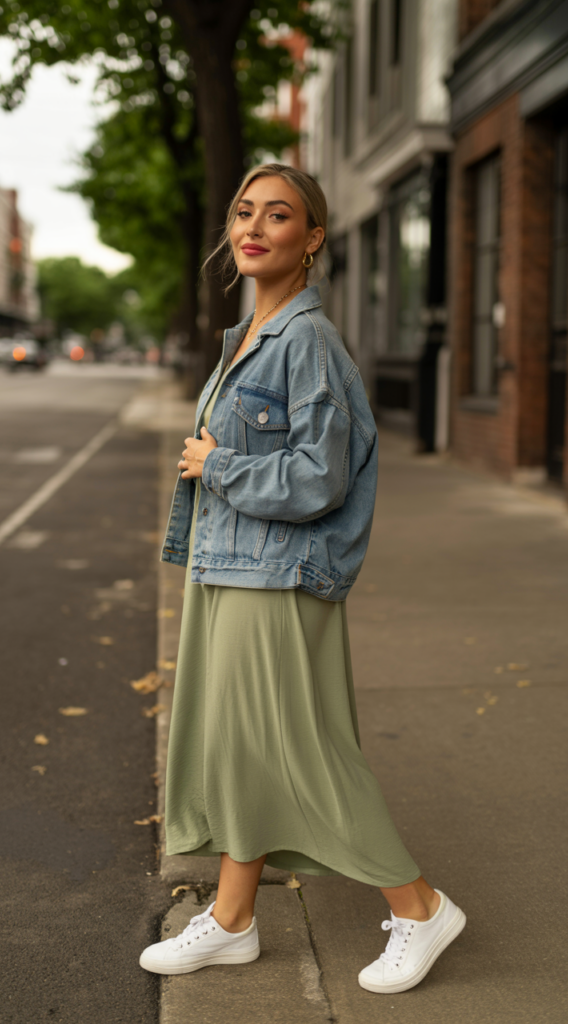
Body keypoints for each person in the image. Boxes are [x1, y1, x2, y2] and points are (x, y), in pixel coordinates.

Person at [139, 164, 465, 993]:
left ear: (312, 239)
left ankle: (422, 907)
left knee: (304, 751)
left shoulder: (308, 341)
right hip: (230, 570)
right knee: (240, 749)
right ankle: (235, 918)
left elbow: (319, 477)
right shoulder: (247, 337)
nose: (253, 226)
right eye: (243, 211)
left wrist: (217, 466)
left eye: (277, 215)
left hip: (274, 579)